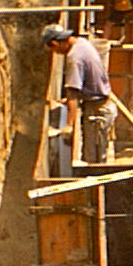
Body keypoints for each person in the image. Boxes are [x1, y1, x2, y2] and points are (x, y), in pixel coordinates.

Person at [41, 24, 117, 164]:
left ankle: (97, 185)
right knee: (97, 156)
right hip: (100, 104)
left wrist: (69, 126)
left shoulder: (74, 57)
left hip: (97, 111)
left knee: (94, 160)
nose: (56, 53)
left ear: (55, 43)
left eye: (54, 50)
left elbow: (73, 92)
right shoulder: (82, 43)